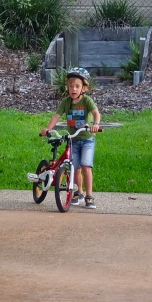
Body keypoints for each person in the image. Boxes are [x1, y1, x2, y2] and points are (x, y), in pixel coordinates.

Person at [40, 67, 101, 208]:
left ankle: (89, 195)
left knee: (86, 166)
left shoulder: (86, 101)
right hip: (73, 140)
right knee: (75, 168)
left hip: (87, 140)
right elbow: (56, 116)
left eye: (77, 86)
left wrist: (95, 124)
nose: (73, 89)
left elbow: (96, 113)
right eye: (71, 86)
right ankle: (78, 192)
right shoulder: (66, 102)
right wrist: (48, 129)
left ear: (84, 89)